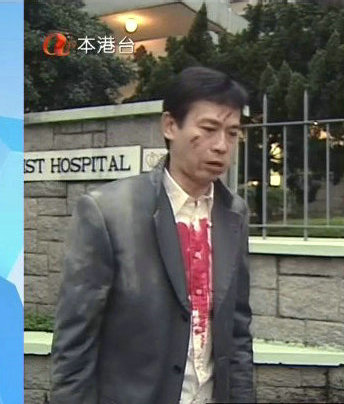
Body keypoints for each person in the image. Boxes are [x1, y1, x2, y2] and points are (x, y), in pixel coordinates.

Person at [50, 66, 254, 404]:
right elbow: (75, 342)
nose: (221, 146)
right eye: (208, 129)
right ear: (170, 126)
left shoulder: (234, 213)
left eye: (232, 133)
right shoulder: (108, 212)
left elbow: (237, 329)